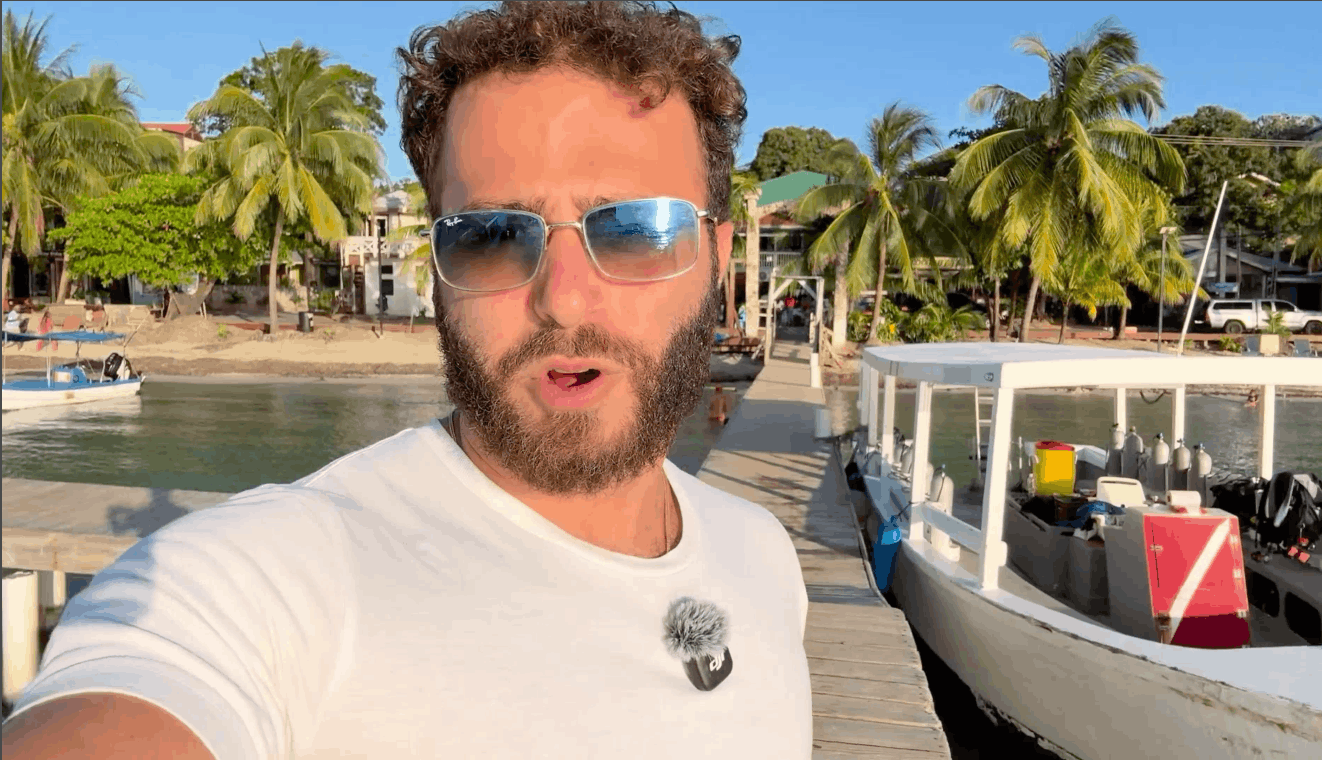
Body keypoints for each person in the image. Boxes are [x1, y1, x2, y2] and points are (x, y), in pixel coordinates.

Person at [0, 4, 812, 759]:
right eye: (493, 235)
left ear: (714, 257)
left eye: (637, 228)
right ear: (441, 264)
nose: (563, 299)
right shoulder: (279, 581)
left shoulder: (761, 556)